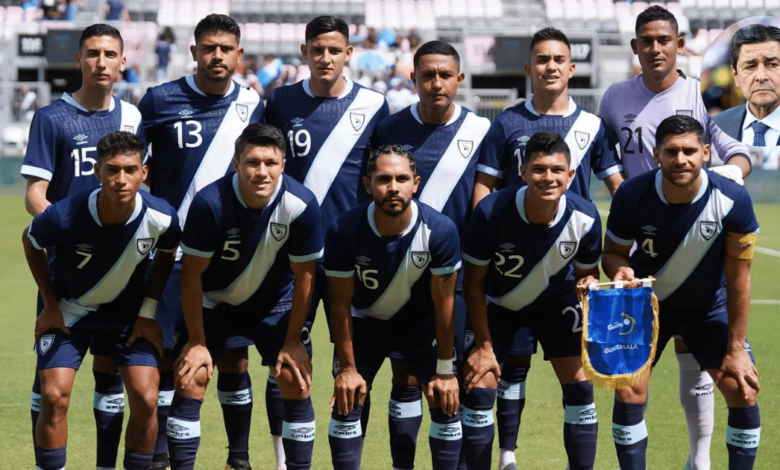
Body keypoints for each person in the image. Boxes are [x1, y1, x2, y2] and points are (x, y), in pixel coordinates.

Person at [597, 7, 753, 469]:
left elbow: (735, 151)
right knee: (629, 382)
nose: (655, 49)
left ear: (679, 45)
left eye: (664, 40)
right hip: (639, 236)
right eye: (646, 41)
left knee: (696, 358)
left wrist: (724, 184)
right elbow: (601, 152)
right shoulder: (614, 97)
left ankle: (698, 458)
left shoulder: (700, 94)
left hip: (696, 236)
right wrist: (620, 189)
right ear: (636, 47)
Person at [470, 27, 622, 470]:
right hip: (511, 265)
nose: (550, 67)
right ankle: (507, 455)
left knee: (577, 380)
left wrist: (622, 252)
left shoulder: (593, 125)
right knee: (510, 368)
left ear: (571, 69)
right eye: (542, 59)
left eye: (558, 60)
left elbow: (618, 187)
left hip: (567, 263)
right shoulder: (506, 123)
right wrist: (486, 235)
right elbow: (485, 188)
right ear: (528, 69)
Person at [138, 13, 264, 470]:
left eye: (225, 49)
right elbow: (135, 167)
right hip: (172, 254)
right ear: (194, 52)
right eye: (208, 48)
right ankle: (159, 457)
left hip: (231, 257)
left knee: (233, 357)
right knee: (168, 356)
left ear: (239, 54)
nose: (217, 56)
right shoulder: (159, 100)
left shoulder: (253, 104)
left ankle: (238, 458)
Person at [264, 15, 389, 469]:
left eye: (334, 50)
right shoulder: (280, 102)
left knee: (351, 361)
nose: (325, 58)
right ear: (305, 52)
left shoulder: (374, 105)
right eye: (317, 49)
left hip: (351, 256)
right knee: (286, 355)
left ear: (349, 53)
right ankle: (282, 459)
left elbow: (381, 176)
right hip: (289, 253)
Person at [19, 23, 144, 470]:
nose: (101, 62)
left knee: (110, 374)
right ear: (78, 60)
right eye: (92, 53)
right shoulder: (52, 118)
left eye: (110, 54)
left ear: (123, 62)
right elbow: (36, 195)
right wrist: (73, 232)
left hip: (120, 272)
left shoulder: (133, 118)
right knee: (51, 385)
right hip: (66, 271)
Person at [22, 131, 181, 470]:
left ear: (143, 172)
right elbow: (31, 240)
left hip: (128, 317)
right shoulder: (66, 214)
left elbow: (168, 254)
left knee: (146, 397)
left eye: (130, 169)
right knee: (53, 395)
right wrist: (50, 305)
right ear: (97, 171)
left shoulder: (162, 217)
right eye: (112, 170)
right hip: (70, 312)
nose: (121, 179)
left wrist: (148, 312)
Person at [167, 124, 322, 470]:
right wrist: (196, 342)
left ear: (283, 165)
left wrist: (293, 340)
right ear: (236, 164)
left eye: (271, 162)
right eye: (252, 162)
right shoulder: (210, 203)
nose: (262, 172)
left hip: (274, 304)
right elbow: (191, 277)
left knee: (293, 377)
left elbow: (306, 277)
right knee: (192, 377)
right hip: (214, 303)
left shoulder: (301, 204)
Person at [373, 40, 491, 470]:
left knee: (456, 380)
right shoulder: (390, 128)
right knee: (404, 376)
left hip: (457, 277)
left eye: (444, 75)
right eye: (427, 75)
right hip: (400, 273)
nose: (435, 83)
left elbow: (486, 201)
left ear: (460, 78)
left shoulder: (481, 129)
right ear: (413, 78)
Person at [463, 131, 602, 470]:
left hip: (557, 305)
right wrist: (483, 346)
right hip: (501, 306)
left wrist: (589, 284)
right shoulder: (491, 212)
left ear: (571, 175)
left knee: (581, 390)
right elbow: (473, 281)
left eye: (557, 170)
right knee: (480, 387)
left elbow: (587, 274)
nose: (548, 178)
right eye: (538, 169)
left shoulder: (585, 217)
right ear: (523, 171)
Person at [325, 146, 462, 470]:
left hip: (421, 324)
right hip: (365, 321)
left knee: (445, 400)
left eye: (402, 179)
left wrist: (445, 371)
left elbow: (445, 304)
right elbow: (339, 303)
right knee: (347, 400)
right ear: (367, 184)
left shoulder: (440, 230)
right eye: (383, 179)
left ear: (416, 183)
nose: (393, 187)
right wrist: (347, 369)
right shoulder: (344, 229)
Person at [713, 24, 780, 168]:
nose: (761, 77)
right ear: (735, 76)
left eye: (772, 64)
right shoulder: (716, 126)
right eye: (750, 66)